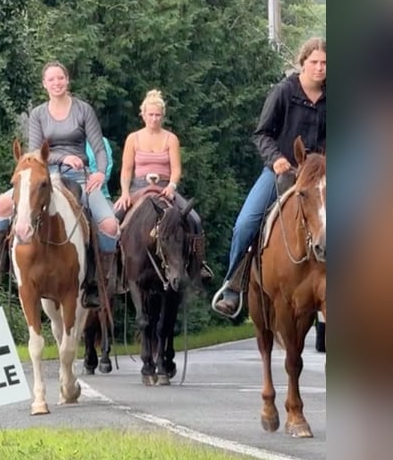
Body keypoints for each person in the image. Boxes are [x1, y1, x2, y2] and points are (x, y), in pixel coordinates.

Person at [0, 61, 119, 308]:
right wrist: (62, 157)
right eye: (51, 80)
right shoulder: (39, 114)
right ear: (44, 84)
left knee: (108, 224)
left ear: (67, 80)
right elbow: (34, 152)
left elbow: (98, 146)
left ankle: (99, 282)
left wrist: (99, 173)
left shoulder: (83, 110)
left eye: (60, 78)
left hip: (79, 176)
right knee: (0, 207)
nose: (57, 83)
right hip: (43, 175)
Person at [212, 37, 326, 317]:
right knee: (246, 223)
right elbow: (261, 134)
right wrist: (276, 158)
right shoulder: (283, 92)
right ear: (302, 63)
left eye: (325, 63)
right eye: (314, 62)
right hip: (283, 171)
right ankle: (233, 285)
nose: (320, 68)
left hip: (322, 175)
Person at [113, 89, 212, 286]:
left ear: (163, 116)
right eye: (150, 114)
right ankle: (113, 267)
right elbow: (126, 170)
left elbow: (176, 169)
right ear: (143, 115)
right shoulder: (133, 138)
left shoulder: (171, 139)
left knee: (194, 219)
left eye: (158, 115)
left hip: (165, 186)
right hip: (139, 187)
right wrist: (125, 192)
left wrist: (172, 186)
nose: (154, 119)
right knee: (112, 220)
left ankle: (198, 265)